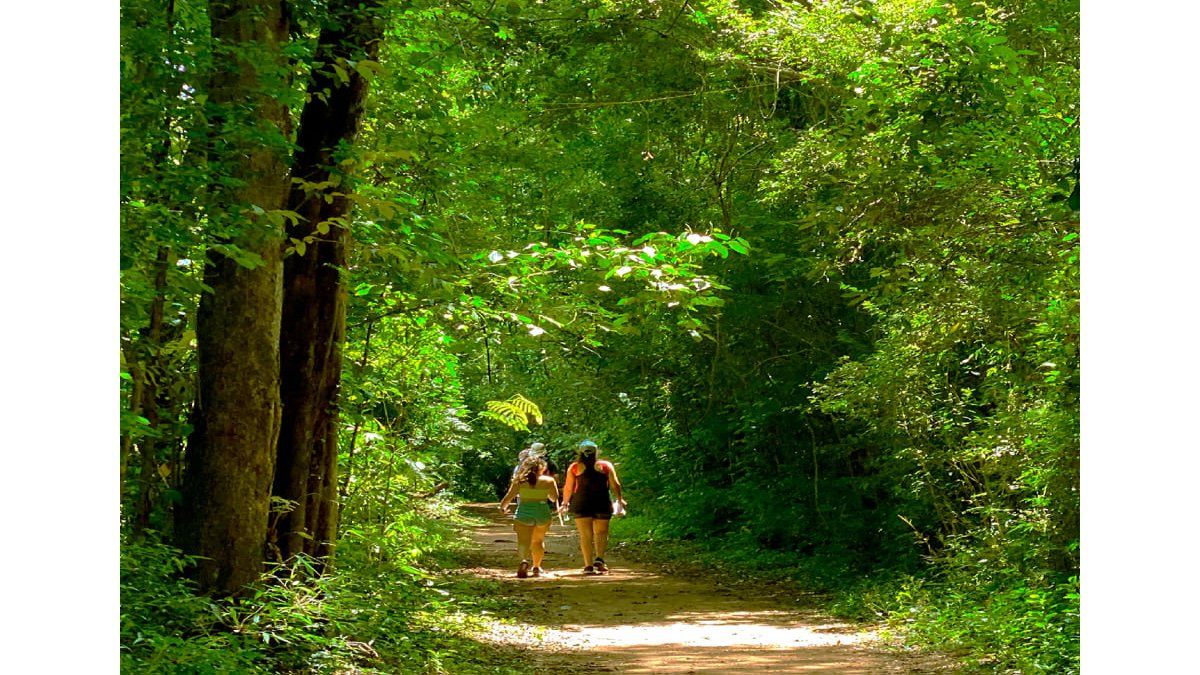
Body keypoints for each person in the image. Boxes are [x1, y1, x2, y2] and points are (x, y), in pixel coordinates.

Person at [560, 439, 626, 575]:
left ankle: (588, 566)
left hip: (581, 503)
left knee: (585, 535)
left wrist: (565, 503)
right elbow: (615, 484)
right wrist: (620, 499)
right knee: (601, 532)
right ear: (596, 451)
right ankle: (600, 559)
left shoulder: (575, 467)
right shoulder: (605, 466)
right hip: (602, 502)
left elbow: (568, 487)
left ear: (580, 452)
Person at [498, 457, 559, 578]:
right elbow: (554, 498)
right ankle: (536, 567)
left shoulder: (519, 481)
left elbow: (509, 497)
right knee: (538, 541)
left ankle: (523, 561)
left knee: (523, 542)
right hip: (542, 514)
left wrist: (502, 508)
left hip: (523, 514)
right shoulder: (548, 481)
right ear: (542, 468)